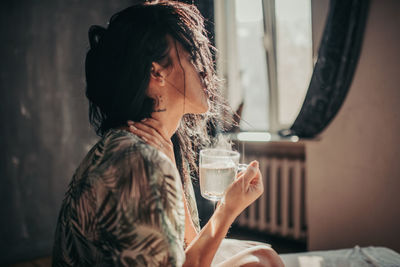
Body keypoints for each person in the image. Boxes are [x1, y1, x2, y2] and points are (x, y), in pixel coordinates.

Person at [52, 1, 284, 266]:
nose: (206, 70)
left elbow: (186, 251)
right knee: (262, 261)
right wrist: (228, 209)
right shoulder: (136, 162)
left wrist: (173, 170)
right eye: (192, 57)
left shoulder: (151, 150)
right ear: (156, 73)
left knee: (259, 256)